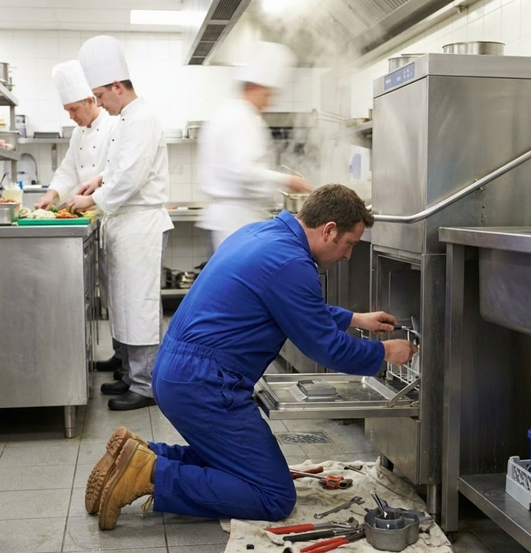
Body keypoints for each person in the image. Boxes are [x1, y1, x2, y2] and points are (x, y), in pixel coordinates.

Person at [85, 183, 418, 530]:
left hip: (178, 372)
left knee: (232, 464)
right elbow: (327, 347)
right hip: (206, 386)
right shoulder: (291, 263)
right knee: (272, 495)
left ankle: (141, 455)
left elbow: (294, 306)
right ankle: (153, 473)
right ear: (329, 230)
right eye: (349, 245)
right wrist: (384, 352)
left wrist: (353, 318)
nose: (348, 255)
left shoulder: (263, 234)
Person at [68, 35, 173, 411]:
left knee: (138, 305)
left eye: (100, 95)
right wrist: (98, 181)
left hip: (139, 225)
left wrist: (92, 199)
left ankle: (146, 386)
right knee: (123, 303)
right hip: (123, 225)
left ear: (117, 86)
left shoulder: (142, 118)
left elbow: (130, 178)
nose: (98, 103)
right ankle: (131, 374)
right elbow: (117, 170)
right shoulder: (126, 119)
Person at [34, 60, 123, 378]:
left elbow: (114, 170)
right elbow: (68, 169)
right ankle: (119, 352)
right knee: (110, 293)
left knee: (119, 293)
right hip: (93, 219)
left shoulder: (114, 125)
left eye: (74, 108)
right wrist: (51, 195)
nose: (71, 115)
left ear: (90, 100)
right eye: (67, 110)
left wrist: (92, 192)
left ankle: (127, 359)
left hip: (108, 212)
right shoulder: (77, 133)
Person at [198, 41, 311, 251]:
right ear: (252, 86)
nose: (270, 102)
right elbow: (243, 172)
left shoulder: (231, 113)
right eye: (268, 95)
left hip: (235, 219)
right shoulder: (240, 117)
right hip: (236, 222)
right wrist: (288, 180)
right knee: (239, 282)